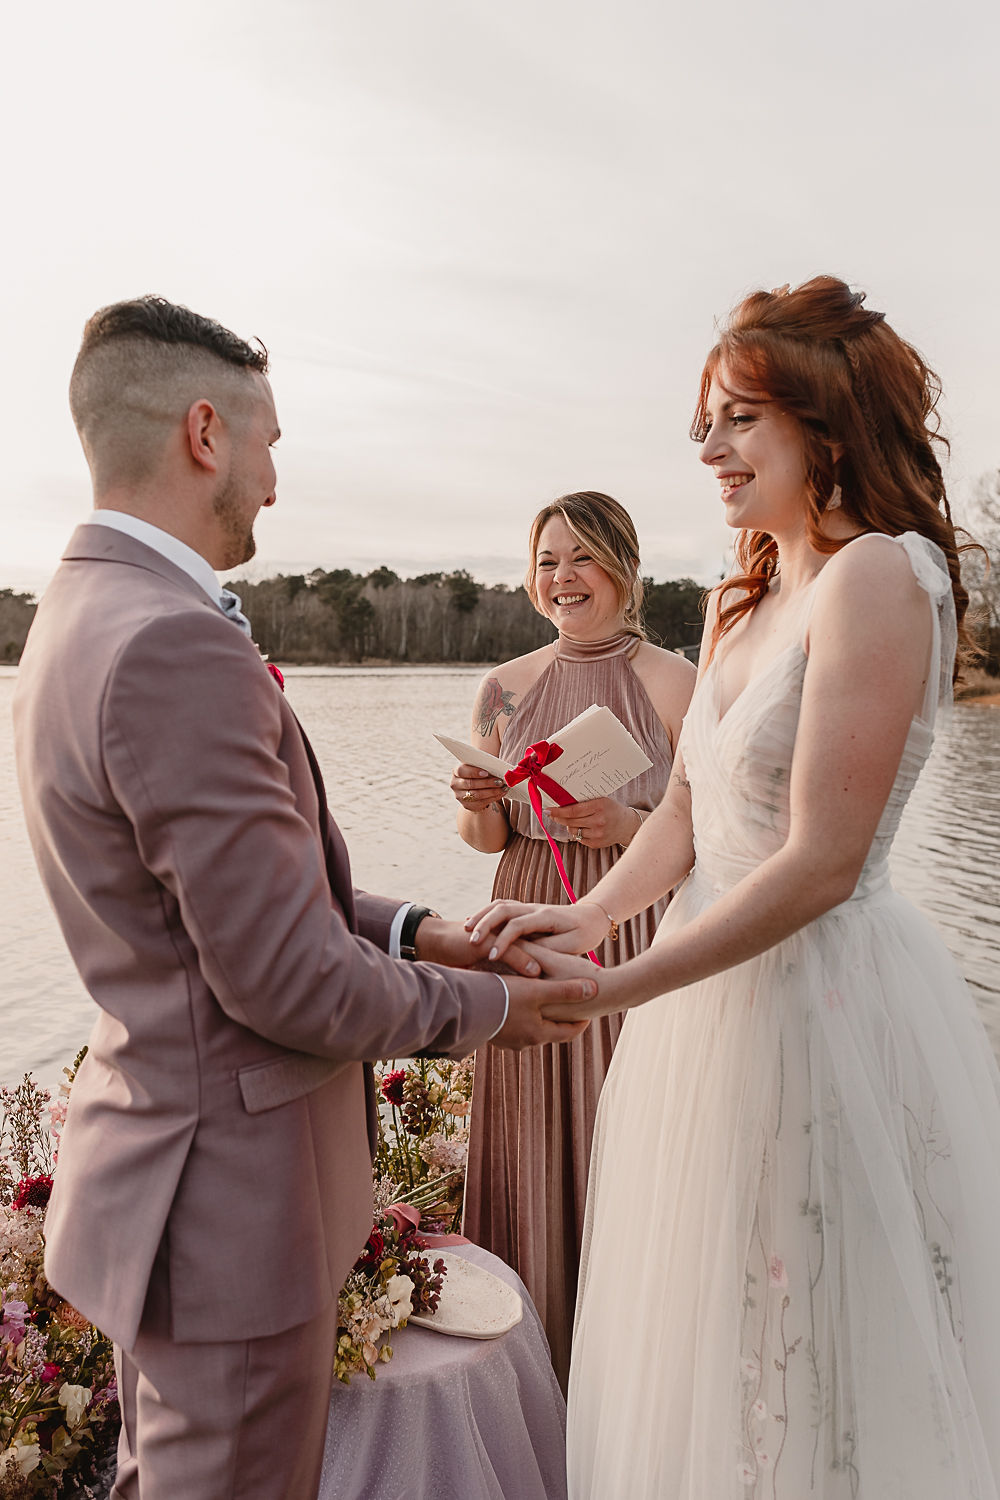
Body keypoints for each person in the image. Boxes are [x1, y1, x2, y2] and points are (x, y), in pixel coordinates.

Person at [11, 296, 596, 1500]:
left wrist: (419, 928)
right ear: (206, 432)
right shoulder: (171, 643)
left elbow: (242, 906)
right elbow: (282, 979)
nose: (275, 482)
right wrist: (490, 1009)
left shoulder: (77, 612)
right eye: (269, 444)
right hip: (229, 1206)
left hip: (174, 1189)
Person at [468, 277, 1000, 1496]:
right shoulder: (740, 588)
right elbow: (698, 812)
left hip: (819, 1001)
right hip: (701, 994)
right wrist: (589, 915)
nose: (706, 450)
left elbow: (819, 862)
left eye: (737, 421)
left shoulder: (879, 576)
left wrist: (617, 988)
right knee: (711, 1322)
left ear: (826, 423)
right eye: (703, 424)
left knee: (818, 1317)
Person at [450, 491, 695, 1388]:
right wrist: (478, 807)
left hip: (633, 927)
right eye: (548, 561)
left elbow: (714, 831)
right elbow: (491, 841)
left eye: (582, 558)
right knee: (531, 1132)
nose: (563, 578)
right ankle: (531, 1360)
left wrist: (627, 825)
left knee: (627, 1124)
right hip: (524, 923)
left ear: (625, 568)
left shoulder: (677, 684)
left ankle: (633, 1365)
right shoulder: (504, 687)